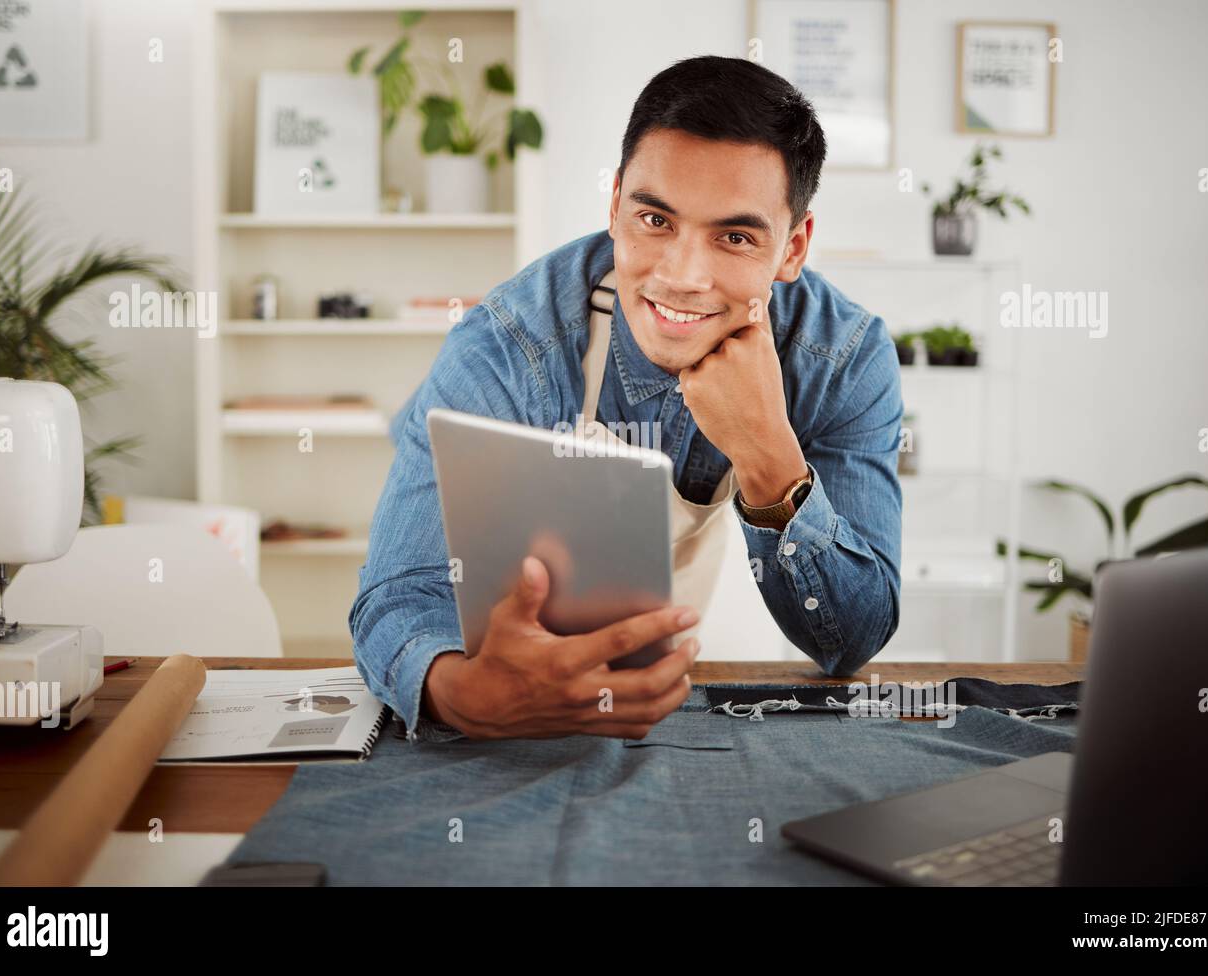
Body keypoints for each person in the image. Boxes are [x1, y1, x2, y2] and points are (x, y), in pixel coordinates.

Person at [351, 55, 903, 743]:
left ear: (793, 248)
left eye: (734, 236)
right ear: (614, 205)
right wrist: (467, 698)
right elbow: (399, 594)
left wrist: (768, 453)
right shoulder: (511, 341)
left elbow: (849, 642)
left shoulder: (842, 357)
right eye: (655, 220)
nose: (682, 275)